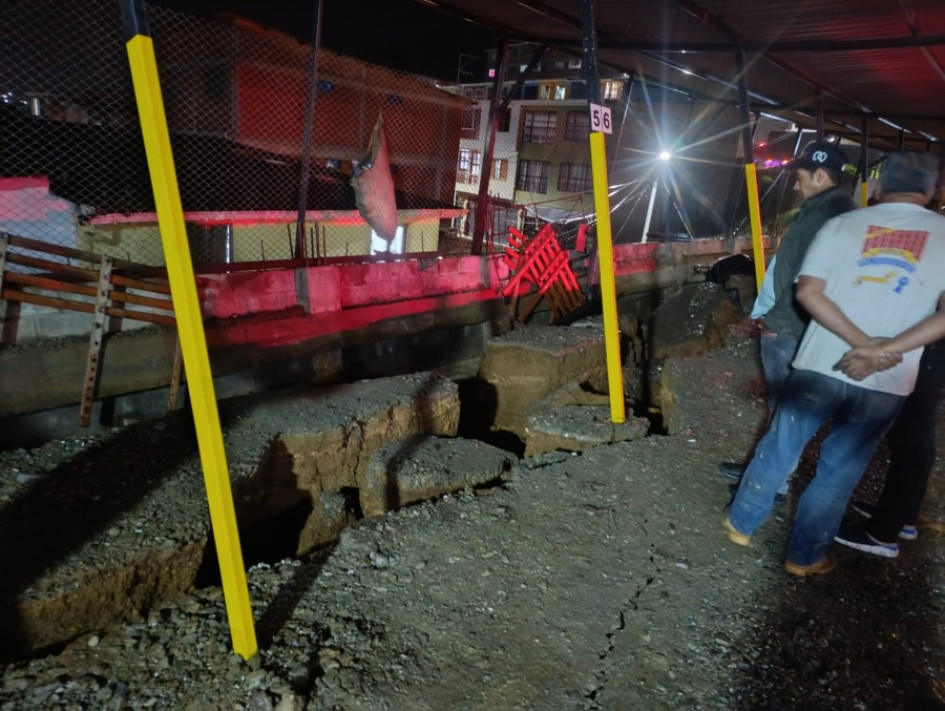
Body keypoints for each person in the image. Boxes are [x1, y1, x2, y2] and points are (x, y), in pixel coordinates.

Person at [723, 150, 945, 576]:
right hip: (887, 377)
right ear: (931, 189)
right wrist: (880, 351)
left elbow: (808, 292)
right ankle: (804, 556)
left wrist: (860, 343)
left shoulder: (844, 224)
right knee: (840, 470)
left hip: (820, 362)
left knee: (782, 445)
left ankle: (741, 522)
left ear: (880, 185)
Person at [718, 141, 857, 499]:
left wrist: (776, 320)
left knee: (787, 411)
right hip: (791, 323)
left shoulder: (827, 217)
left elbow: (806, 282)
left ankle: (769, 484)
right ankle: (763, 469)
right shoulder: (826, 211)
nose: (796, 185)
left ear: (820, 175)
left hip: (791, 328)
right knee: (782, 409)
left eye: (801, 177)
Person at [833, 338, 945, 557]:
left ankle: (882, 533)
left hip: (933, 354)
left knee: (912, 437)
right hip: (933, 355)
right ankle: (903, 516)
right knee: (916, 432)